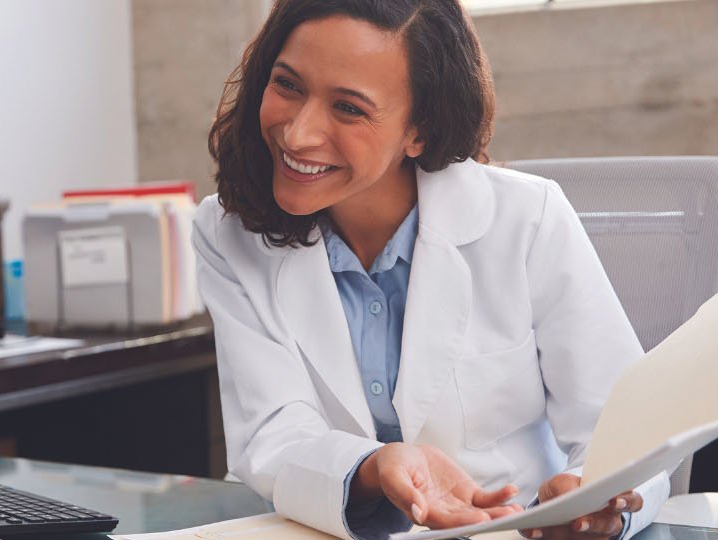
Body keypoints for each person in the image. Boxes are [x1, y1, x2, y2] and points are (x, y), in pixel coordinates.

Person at [194, 1, 668, 539]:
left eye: (348, 108)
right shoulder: (226, 232)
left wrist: (593, 503)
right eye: (288, 85)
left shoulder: (527, 218)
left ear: (418, 130)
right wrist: (375, 467)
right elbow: (272, 433)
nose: (298, 134)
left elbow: (628, 428)